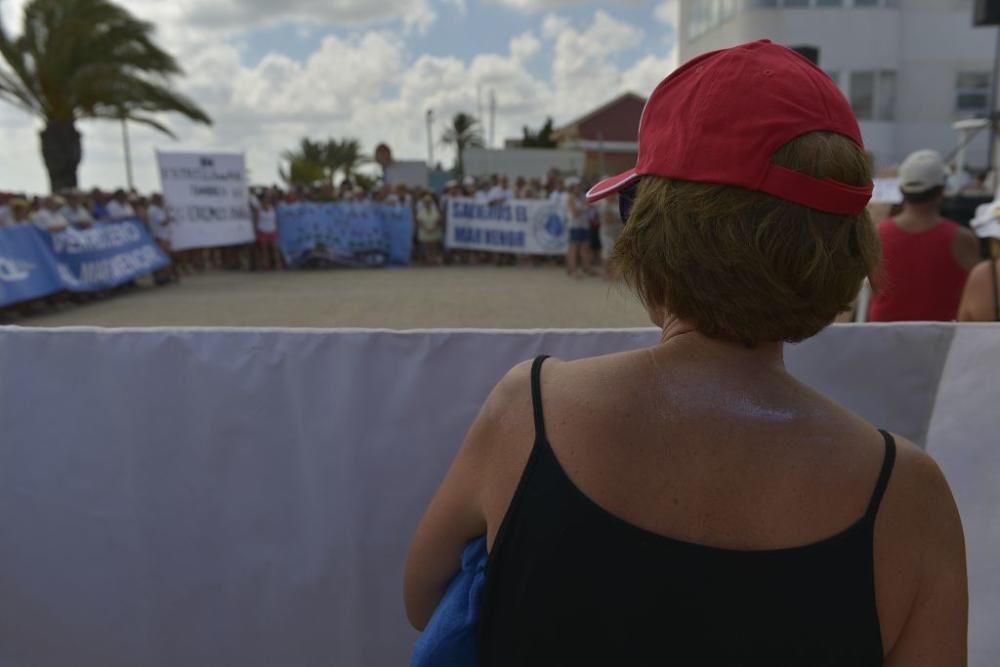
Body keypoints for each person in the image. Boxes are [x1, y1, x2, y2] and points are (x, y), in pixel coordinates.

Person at [405, 41, 966, 666]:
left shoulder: (528, 413)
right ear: (843, 252)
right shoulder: (909, 499)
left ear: (652, 231)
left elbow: (425, 596)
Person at [868, 149, 981, 322]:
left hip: (885, 337)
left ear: (902, 189)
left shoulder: (877, 234)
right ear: (941, 190)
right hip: (941, 341)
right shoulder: (961, 238)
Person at [563, 177, 593, 277]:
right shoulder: (570, 197)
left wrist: (584, 209)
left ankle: (586, 268)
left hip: (583, 225)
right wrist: (585, 208)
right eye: (577, 186)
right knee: (574, 248)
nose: (579, 188)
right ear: (572, 188)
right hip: (574, 225)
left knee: (585, 247)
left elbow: (585, 208)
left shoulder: (582, 197)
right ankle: (572, 269)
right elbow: (575, 213)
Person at [598, 191, 623, 280]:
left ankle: (613, 272)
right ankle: (605, 272)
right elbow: (606, 220)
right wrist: (620, 219)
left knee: (614, 252)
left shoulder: (617, 202)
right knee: (607, 252)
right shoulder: (605, 204)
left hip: (617, 231)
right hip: (607, 232)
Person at [416, 193, 444, 266]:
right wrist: (426, 228)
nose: (427, 203)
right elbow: (419, 221)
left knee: (434, 247)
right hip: (425, 231)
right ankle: (428, 260)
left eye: (429, 202)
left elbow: (439, 220)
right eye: (426, 202)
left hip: (434, 230)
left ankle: (433, 259)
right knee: (427, 247)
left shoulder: (436, 210)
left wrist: (433, 228)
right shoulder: (421, 211)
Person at [255, 195, 282, 271]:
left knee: (274, 249)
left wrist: (276, 229)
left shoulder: (273, 208)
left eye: (267, 199)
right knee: (264, 250)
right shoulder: (259, 209)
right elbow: (257, 221)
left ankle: (277, 264)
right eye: (265, 200)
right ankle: (266, 264)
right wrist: (256, 231)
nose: (266, 201)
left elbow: (275, 220)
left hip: (272, 230)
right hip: (262, 230)